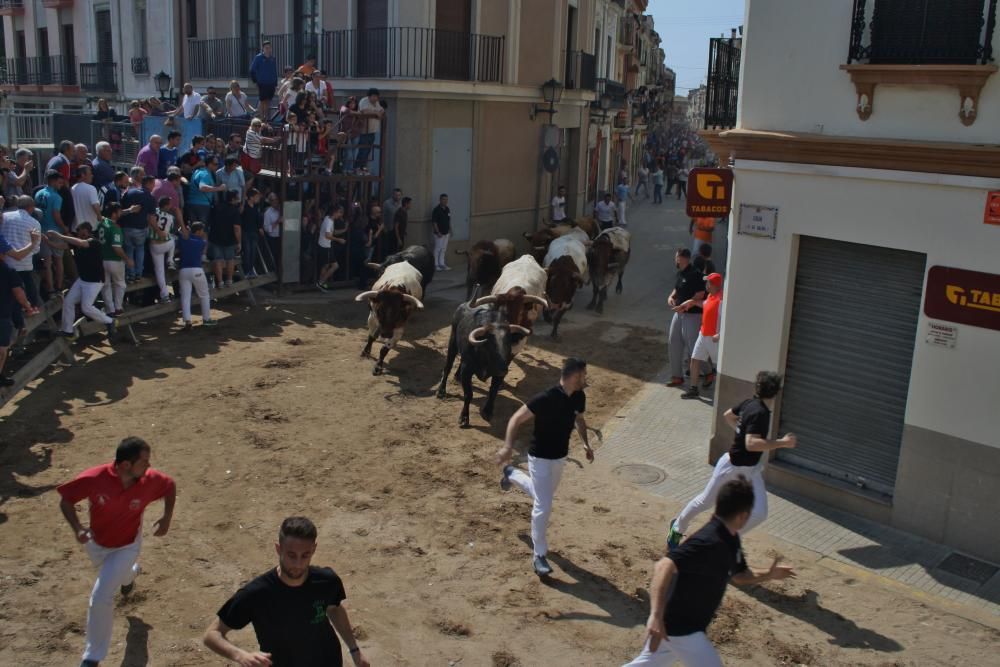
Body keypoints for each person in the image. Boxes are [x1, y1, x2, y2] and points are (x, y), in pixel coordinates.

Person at [625, 478, 796, 667]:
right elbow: (663, 566)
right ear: (742, 515)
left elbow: (740, 575)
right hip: (682, 628)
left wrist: (769, 574)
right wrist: (655, 616)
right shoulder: (709, 540)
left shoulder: (731, 538)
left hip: (676, 626)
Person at [57, 437, 176, 667]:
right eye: (143, 462)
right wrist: (78, 529)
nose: (149, 466)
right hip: (96, 543)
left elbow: (170, 486)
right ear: (125, 465)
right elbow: (66, 500)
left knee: (100, 595)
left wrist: (167, 518)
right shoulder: (94, 478)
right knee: (118, 576)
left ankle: (92, 657)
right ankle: (131, 575)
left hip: (128, 545)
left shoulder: (149, 480)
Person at [203, 516, 371, 667]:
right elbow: (212, 634)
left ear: (313, 549)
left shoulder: (327, 581)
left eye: (305, 555)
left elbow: (334, 608)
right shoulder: (257, 593)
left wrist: (355, 650)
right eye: (291, 555)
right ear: (279, 549)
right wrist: (241, 656)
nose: (298, 564)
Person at [666, 372, 797, 553]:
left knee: (759, 512)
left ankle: (725, 540)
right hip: (732, 467)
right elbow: (751, 444)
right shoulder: (760, 413)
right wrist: (782, 443)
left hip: (751, 471)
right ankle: (677, 527)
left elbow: (728, 415)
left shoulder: (749, 403)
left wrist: (739, 431)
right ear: (775, 393)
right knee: (706, 501)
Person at [497, 357, 593, 577]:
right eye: (582, 376)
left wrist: (586, 443)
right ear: (572, 376)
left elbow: (579, 419)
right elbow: (516, 419)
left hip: (560, 458)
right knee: (544, 504)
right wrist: (507, 446)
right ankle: (539, 555)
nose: (584, 379)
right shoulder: (545, 398)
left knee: (542, 494)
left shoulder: (579, 396)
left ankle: (511, 474)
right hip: (539, 457)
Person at [49, 223, 118, 339]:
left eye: (79, 230)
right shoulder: (78, 243)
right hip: (82, 280)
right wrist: (47, 241)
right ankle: (68, 330)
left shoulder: (94, 242)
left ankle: (110, 321)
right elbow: (62, 246)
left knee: (86, 307)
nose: (77, 232)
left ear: (86, 230)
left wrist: (60, 236)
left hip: (95, 281)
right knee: (68, 301)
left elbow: (80, 243)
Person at [0, 196, 43, 338]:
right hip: (24, 264)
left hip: (6, 263)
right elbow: (36, 249)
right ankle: (31, 309)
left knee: (11, 297)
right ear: (31, 207)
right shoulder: (35, 223)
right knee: (25, 292)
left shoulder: (5, 216)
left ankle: (18, 324)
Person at [666, 249, 705, 388]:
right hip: (679, 313)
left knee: (692, 346)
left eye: (676, 257)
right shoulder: (680, 273)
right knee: (673, 341)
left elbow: (700, 294)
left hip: (692, 315)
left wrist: (685, 305)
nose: (675, 259)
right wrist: (671, 297)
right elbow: (677, 289)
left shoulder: (696, 274)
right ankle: (677, 376)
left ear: (683, 259)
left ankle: (708, 372)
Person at [681, 273, 723, 399]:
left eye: (708, 282)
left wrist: (720, 334)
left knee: (719, 365)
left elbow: (727, 319)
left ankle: (721, 394)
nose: (706, 284)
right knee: (695, 359)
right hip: (703, 334)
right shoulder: (710, 296)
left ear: (714, 285)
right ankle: (693, 388)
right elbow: (705, 305)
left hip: (714, 339)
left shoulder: (722, 300)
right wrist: (693, 302)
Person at [0, 259, 39, 386]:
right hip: (2, 316)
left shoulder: (7, 270)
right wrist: (28, 308)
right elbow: (19, 294)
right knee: (1, 349)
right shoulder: (7, 270)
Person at [176, 220, 215, 327]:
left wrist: (185, 230)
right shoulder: (201, 242)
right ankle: (206, 319)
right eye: (202, 230)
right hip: (197, 270)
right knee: (204, 295)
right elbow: (204, 244)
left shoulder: (184, 239)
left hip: (183, 271)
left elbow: (181, 233)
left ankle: (187, 320)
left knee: (185, 297)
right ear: (198, 231)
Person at [35, 170, 69, 295]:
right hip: (54, 231)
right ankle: (59, 286)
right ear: (53, 181)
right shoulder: (56, 197)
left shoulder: (38, 193)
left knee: (47, 262)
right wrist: (64, 228)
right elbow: (56, 215)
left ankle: (50, 288)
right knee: (58, 261)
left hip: (41, 230)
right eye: (59, 183)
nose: (60, 185)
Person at [120, 174, 157, 282]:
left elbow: (121, 207)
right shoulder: (150, 197)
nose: (154, 186)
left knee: (129, 250)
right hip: (141, 229)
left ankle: (130, 274)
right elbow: (151, 218)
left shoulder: (129, 192)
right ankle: (138, 274)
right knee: (140, 249)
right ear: (149, 183)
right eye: (153, 184)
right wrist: (157, 231)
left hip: (126, 227)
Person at [97, 203, 132, 317]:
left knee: (105, 285)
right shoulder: (115, 228)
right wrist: (127, 259)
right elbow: (116, 248)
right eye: (119, 211)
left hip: (102, 260)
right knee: (120, 284)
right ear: (113, 214)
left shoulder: (102, 223)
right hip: (114, 260)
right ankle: (118, 307)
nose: (121, 213)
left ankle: (110, 309)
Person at [209, 190, 242, 288]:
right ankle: (229, 280)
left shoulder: (216, 207)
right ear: (232, 199)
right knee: (230, 260)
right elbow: (237, 228)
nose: (238, 200)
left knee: (217, 260)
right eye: (237, 198)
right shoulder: (234, 210)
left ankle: (220, 282)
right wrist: (239, 242)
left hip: (215, 237)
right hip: (230, 239)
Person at [150, 197, 178, 301]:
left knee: (159, 271)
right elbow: (170, 230)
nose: (170, 206)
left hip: (153, 245)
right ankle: (170, 260)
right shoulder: (170, 217)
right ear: (166, 205)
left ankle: (165, 295)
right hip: (165, 244)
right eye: (169, 204)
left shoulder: (153, 211)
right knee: (173, 239)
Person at [188, 156, 225, 224]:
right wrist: (219, 188)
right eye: (215, 164)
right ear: (209, 164)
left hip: (192, 204)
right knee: (201, 229)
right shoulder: (205, 174)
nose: (217, 166)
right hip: (202, 206)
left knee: (193, 229)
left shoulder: (197, 171)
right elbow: (202, 187)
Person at [356, 88, 384, 174]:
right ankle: (357, 168)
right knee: (362, 150)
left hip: (373, 130)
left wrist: (378, 112)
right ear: (370, 96)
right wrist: (375, 113)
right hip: (364, 130)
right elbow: (364, 111)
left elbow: (381, 110)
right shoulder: (364, 101)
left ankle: (363, 167)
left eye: (377, 96)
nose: (376, 98)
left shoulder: (376, 103)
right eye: (374, 96)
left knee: (368, 150)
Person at [316, 204, 344, 291]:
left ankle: (321, 283)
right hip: (326, 246)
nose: (341, 214)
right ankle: (321, 282)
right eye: (340, 212)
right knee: (334, 266)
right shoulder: (329, 221)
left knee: (326, 265)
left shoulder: (328, 218)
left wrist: (345, 229)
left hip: (325, 245)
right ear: (335, 212)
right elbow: (328, 235)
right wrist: (339, 240)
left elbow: (332, 232)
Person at [249, 40, 279, 120]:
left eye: (269, 48)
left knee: (268, 101)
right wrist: (255, 81)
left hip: (271, 84)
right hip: (262, 83)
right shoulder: (258, 57)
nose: (268, 49)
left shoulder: (273, 58)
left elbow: (274, 71)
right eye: (266, 48)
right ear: (263, 48)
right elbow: (252, 70)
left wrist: (275, 83)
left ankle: (266, 118)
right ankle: (262, 119)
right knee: (262, 101)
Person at [71, 165, 102, 232]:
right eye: (90, 174)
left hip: (76, 229)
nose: (92, 176)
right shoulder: (91, 188)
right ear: (82, 175)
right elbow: (95, 205)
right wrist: (100, 217)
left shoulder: (72, 189)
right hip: (90, 229)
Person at [240, 188, 263, 277]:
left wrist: (260, 227)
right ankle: (246, 271)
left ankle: (251, 270)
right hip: (245, 232)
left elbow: (259, 219)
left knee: (253, 252)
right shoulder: (244, 207)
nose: (258, 199)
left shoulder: (256, 207)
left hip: (254, 232)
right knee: (247, 251)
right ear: (251, 197)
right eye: (257, 197)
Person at [431, 193, 451, 271]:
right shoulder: (436, 210)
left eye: (446, 200)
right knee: (437, 249)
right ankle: (435, 265)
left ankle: (442, 264)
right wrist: (438, 232)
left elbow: (449, 220)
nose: (445, 201)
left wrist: (450, 229)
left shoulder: (447, 209)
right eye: (443, 199)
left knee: (443, 249)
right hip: (439, 234)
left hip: (446, 233)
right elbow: (434, 222)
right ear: (440, 200)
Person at [263, 193, 282, 269]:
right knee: (275, 256)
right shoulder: (267, 213)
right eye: (273, 200)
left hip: (283, 237)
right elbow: (267, 229)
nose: (276, 202)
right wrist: (277, 222)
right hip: (274, 238)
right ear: (270, 202)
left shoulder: (282, 209)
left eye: (276, 200)